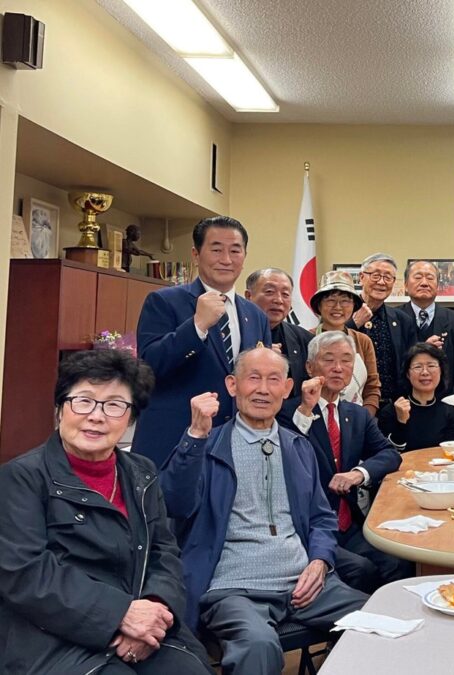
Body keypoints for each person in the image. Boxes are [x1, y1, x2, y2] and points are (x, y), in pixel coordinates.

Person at [0, 350, 212, 674]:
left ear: (130, 418)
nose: (96, 416)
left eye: (114, 405)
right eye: (83, 401)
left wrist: (155, 607)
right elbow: (27, 574)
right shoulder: (22, 477)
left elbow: (164, 551)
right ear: (60, 409)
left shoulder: (141, 472)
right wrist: (120, 615)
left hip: (143, 626)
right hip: (53, 638)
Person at [160, 347, 367, 675]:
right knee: (257, 646)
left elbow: (320, 518)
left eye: (274, 380)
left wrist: (320, 560)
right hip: (234, 589)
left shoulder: (298, 447)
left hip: (305, 582)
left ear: (286, 390)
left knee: (376, 622)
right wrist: (196, 434)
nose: (263, 389)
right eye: (252, 378)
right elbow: (174, 502)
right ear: (232, 385)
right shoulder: (207, 446)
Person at [135, 216, 271, 467]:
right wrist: (197, 326)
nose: (226, 259)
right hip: (174, 444)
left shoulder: (256, 316)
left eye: (235, 250)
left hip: (236, 445)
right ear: (196, 255)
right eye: (216, 249)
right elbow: (148, 367)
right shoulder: (163, 301)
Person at [283, 332, 411, 593]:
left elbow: (389, 454)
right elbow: (289, 455)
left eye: (346, 361)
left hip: (347, 522)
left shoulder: (356, 414)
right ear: (309, 367)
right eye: (328, 360)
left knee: (398, 562)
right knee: (362, 570)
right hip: (308, 528)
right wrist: (306, 410)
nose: (338, 368)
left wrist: (358, 473)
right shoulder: (289, 412)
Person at [347, 253, 416, 407]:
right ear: (361, 277)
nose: (382, 282)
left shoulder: (402, 320)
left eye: (388, 277)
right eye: (376, 275)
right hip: (353, 403)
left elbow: (409, 362)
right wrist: (353, 323)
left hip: (393, 406)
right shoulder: (343, 313)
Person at [310, 270, 381, 417]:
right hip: (316, 418)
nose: (338, 307)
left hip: (358, 419)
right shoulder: (305, 338)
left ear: (354, 306)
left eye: (345, 301)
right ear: (319, 305)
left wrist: (363, 420)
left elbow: (372, 387)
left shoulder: (362, 341)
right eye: (330, 300)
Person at [244, 267, 313, 406]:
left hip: (292, 422)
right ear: (248, 296)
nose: (279, 300)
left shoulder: (304, 339)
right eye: (269, 292)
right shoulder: (232, 336)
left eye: (285, 294)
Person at [400, 260, 454, 393]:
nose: (424, 283)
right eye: (418, 277)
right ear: (406, 285)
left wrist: (450, 401)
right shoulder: (395, 318)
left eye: (430, 278)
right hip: (404, 400)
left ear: (438, 286)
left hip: (446, 402)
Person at [377, 343, 454, 451]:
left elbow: (449, 455)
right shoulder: (390, 412)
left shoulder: (451, 414)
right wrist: (401, 422)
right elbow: (388, 454)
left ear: (441, 371)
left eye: (431, 366)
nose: (425, 372)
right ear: (408, 374)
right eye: (418, 367)